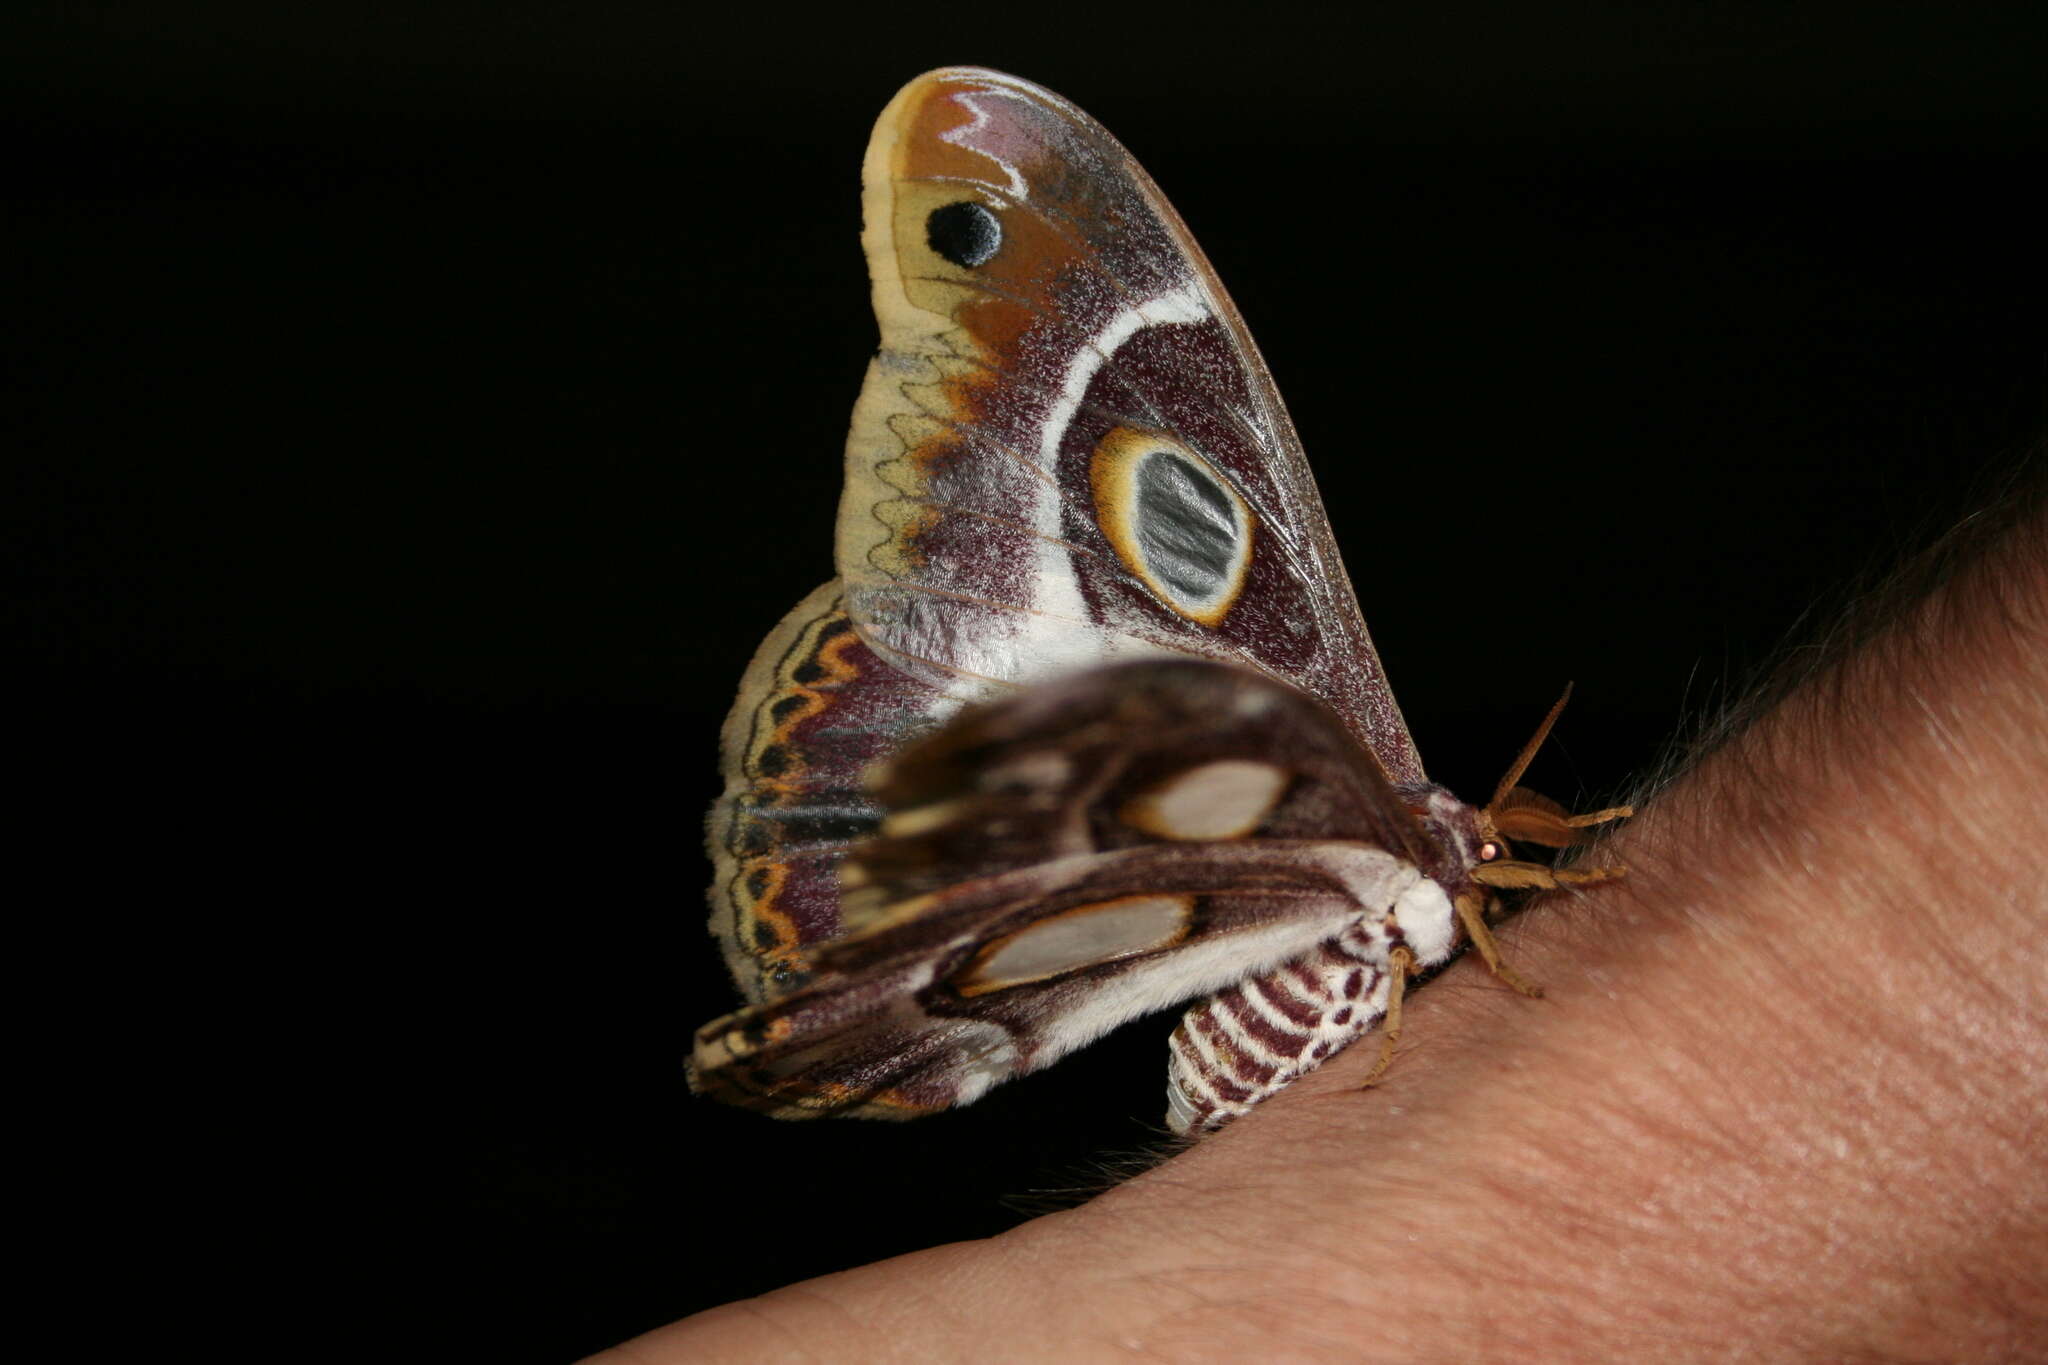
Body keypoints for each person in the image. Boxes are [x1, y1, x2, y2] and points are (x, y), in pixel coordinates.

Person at [599, 471, 2046, 1362]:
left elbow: (1493, 888)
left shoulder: (1409, 856)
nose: (1488, 851)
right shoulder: (1370, 842)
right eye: (1490, 844)